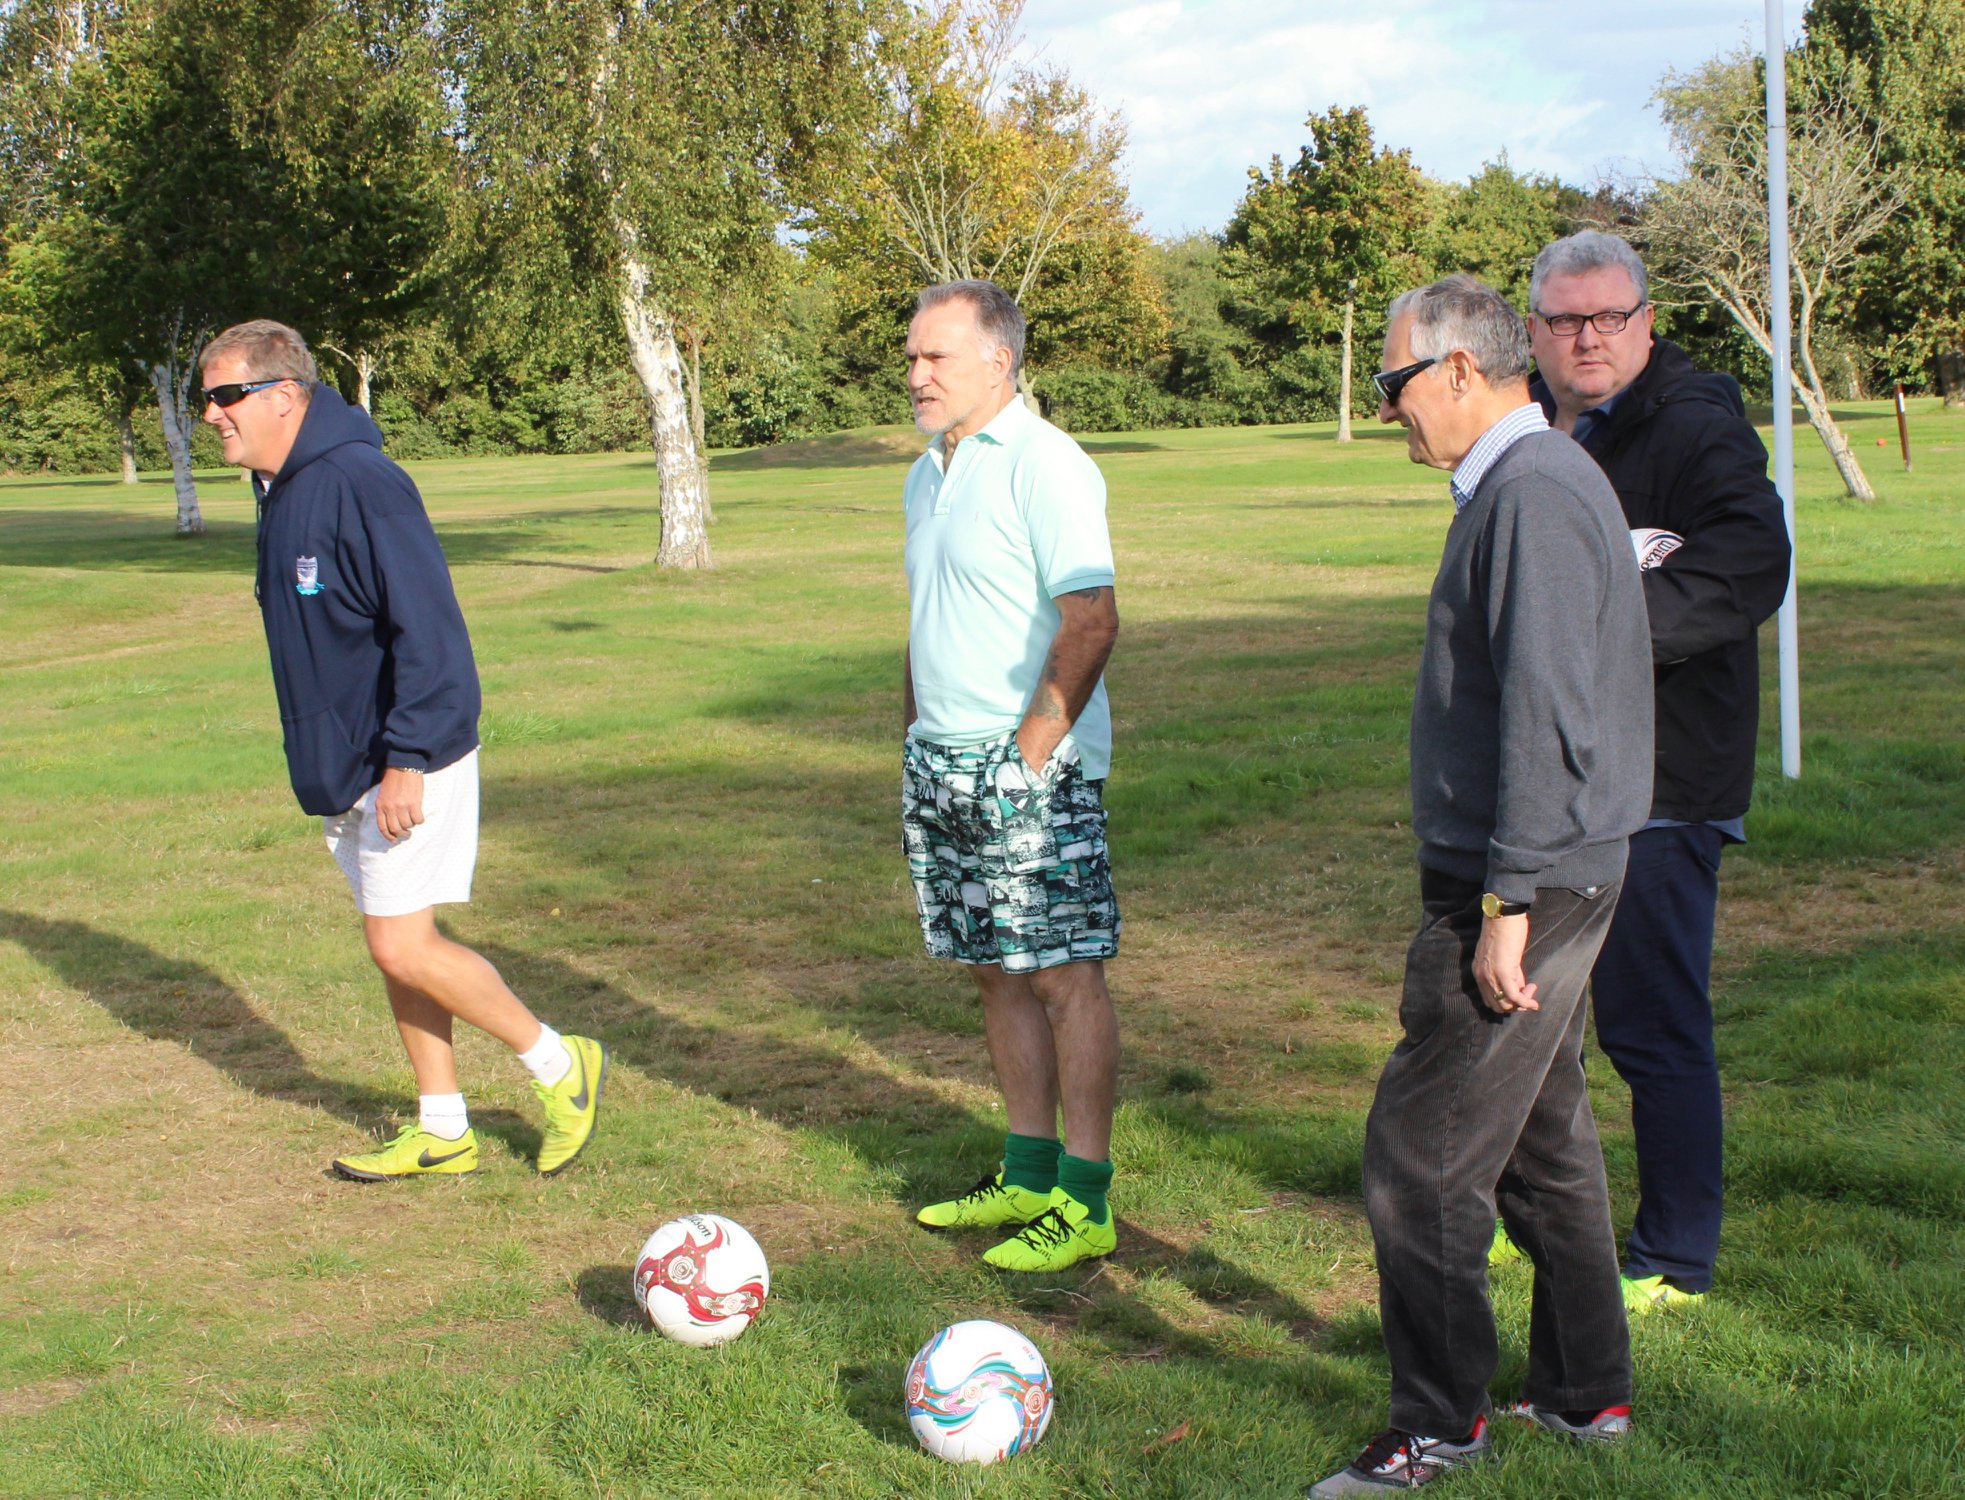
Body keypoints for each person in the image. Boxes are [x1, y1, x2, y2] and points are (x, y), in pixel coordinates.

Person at [1311, 277, 1653, 1496]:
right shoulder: (1529, 484)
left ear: (1461, 372)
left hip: (1526, 881)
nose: (1388, 407)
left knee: (1424, 1153)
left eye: (1396, 382)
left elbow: (1552, 717)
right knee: (1539, 1141)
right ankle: (1584, 1389)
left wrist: (1507, 903)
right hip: (1541, 867)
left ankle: (1438, 1425)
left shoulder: (1534, 494)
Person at [201, 320, 606, 1181]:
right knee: (396, 942)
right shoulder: (279, 490)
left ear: (283, 394)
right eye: (207, 397)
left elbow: (430, 632)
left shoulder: (361, 481)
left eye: (225, 395)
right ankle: (443, 1125)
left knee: (401, 945)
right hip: (348, 763)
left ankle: (561, 1066)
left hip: (406, 759)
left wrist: (407, 757)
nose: (211, 415)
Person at [1525, 231, 1791, 1312]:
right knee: (1534, 1015)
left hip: (1666, 785)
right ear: (1535, 331)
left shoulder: (1695, 431)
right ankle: (1541, 1217)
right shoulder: (1543, 430)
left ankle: (1675, 1255)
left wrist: (1593, 630)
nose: (1588, 338)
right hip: (1556, 774)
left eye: (1609, 318)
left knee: (1649, 1021)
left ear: (1647, 320)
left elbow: (1748, 568)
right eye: (1565, 321)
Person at [898, 280, 1123, 1273]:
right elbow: (926, 619)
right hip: (940, 763)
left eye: (934, 357)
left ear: (1000, 359)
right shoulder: (925, 474)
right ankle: (1026, 1173)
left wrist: (1029, 754)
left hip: (1032, 769)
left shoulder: (1047, 462)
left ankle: (1085, 1199)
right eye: (911, 358)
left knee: (1064, 976)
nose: (915, 375)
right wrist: (914, 737)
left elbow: (1093, 618)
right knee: (993, 970)